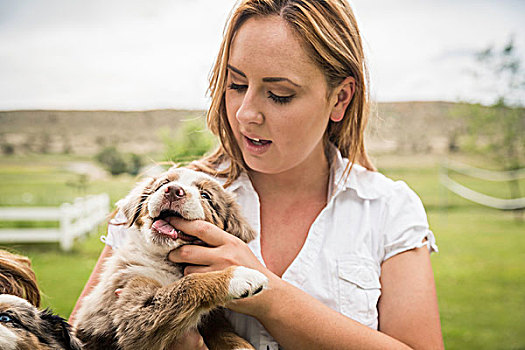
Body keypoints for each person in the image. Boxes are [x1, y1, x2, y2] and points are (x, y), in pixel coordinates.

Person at [71, 0, 444, 349]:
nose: (246, 113)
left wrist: (268, 298)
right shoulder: (166, 198)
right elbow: (81, 336)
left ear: (340, 98)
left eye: (279, 94)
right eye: (235, 84)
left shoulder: (388, 210)